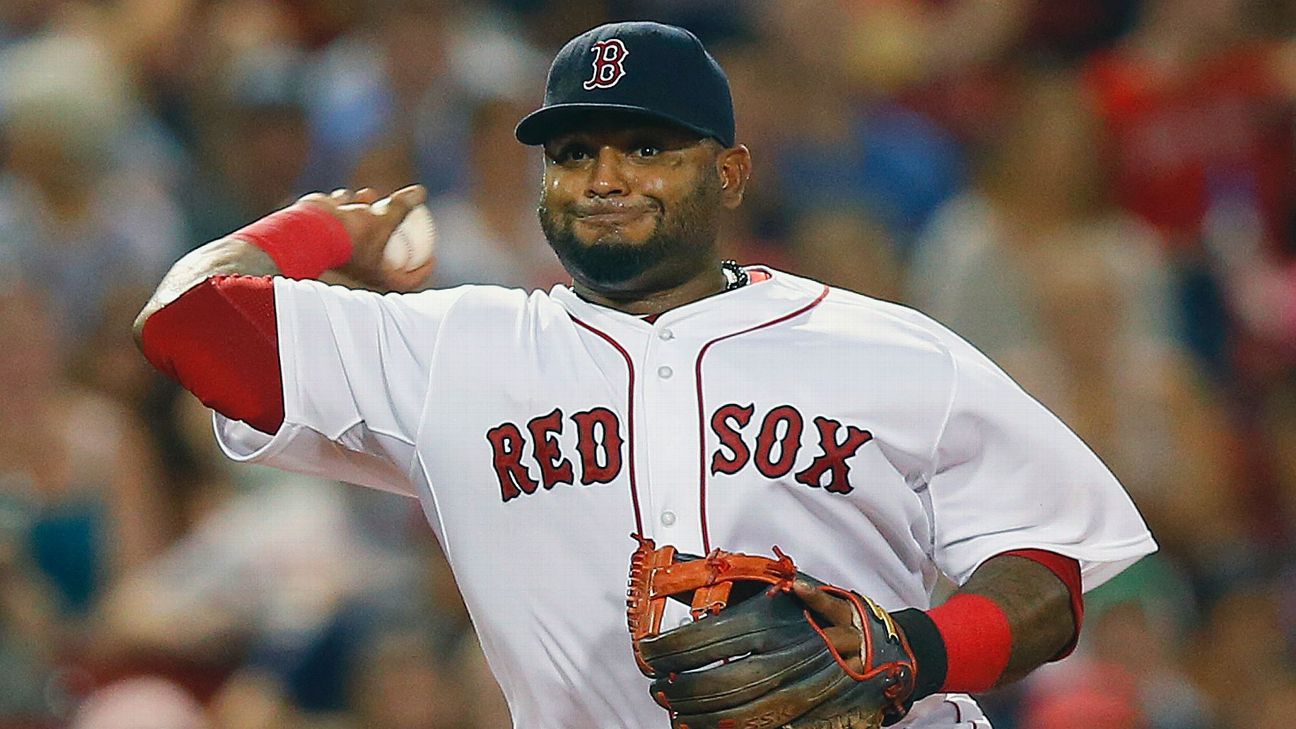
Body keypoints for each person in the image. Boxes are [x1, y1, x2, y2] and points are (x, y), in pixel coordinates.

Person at [133, 21, 1155, 728]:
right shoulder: (455, 348)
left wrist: (912, 652)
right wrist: (321, 227)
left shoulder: (889, 349)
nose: (606, 178)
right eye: (573, 152)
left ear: (730, 172)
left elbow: (1047, 569)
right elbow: (187, 323)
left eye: (646, 146)